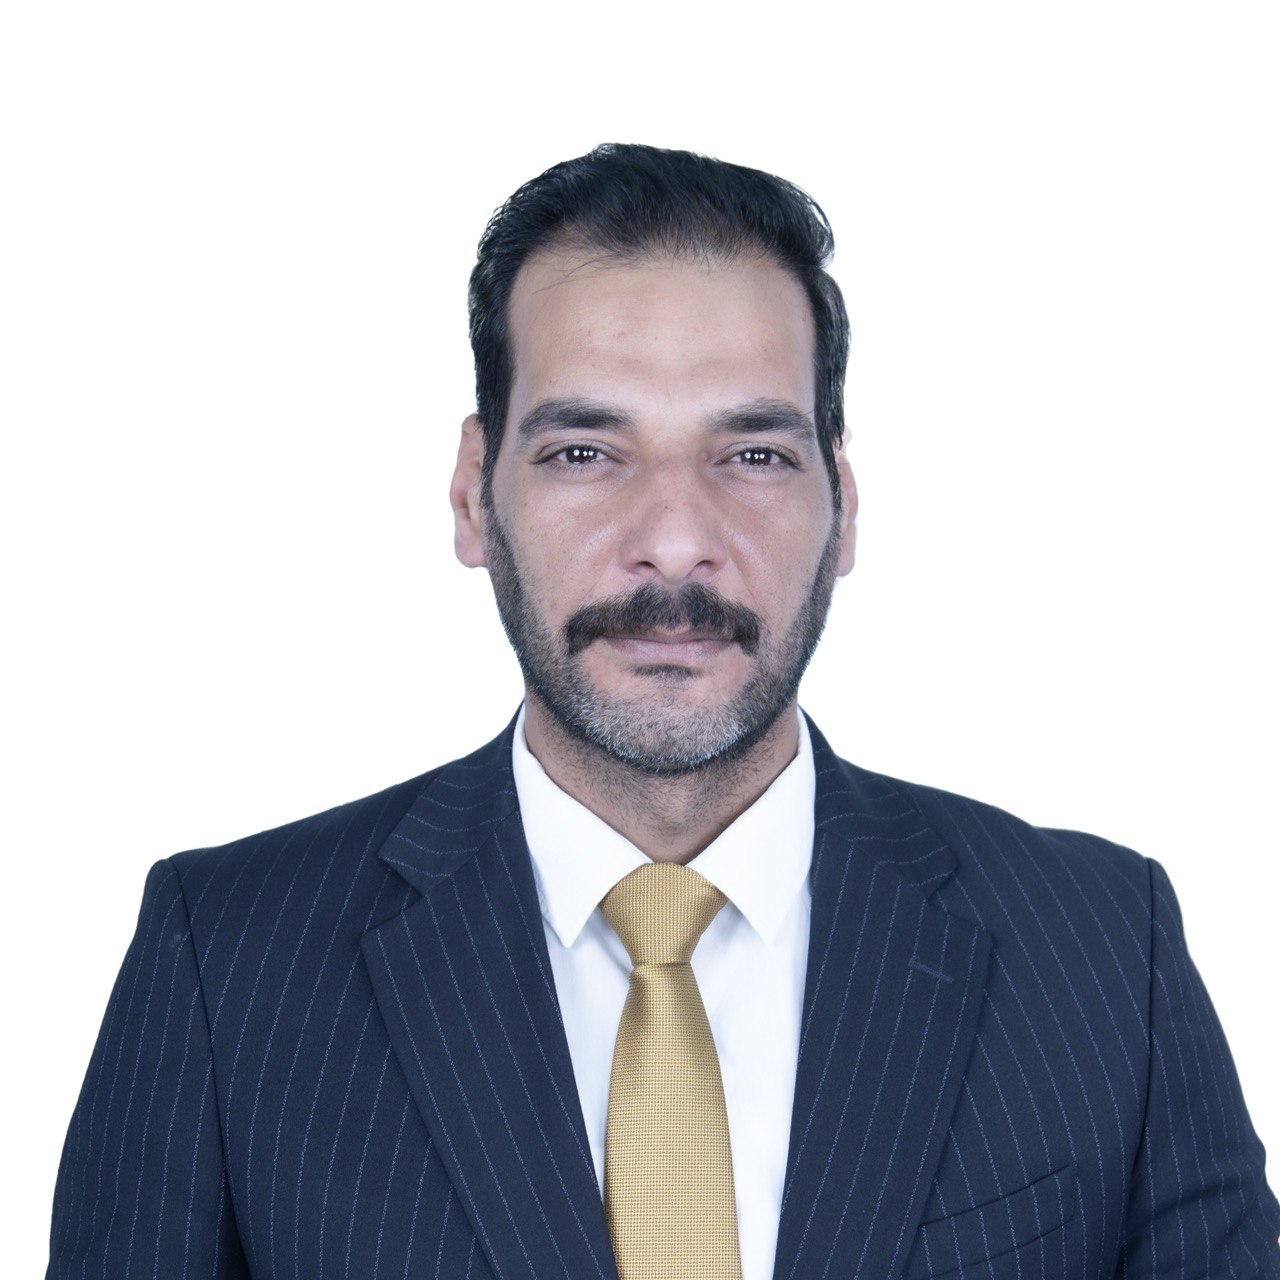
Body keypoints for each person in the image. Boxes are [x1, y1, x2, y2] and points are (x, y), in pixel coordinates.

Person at [47, 143, 1278, 1280]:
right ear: (473, 495)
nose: (676, 541)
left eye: (753, 454)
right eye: (585, 451)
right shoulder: (225, 963)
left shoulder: (1102, 952)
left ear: (842, 506)